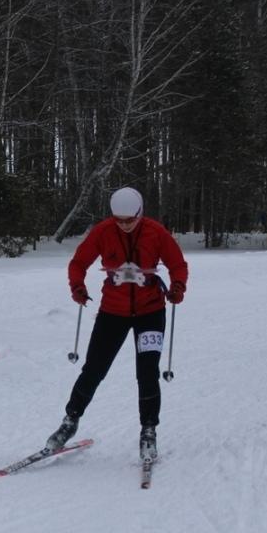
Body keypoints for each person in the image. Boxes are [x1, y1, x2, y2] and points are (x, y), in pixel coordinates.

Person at [44, 187, 188, 463]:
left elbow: (177, 264)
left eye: (129, 221)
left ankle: (148, 430)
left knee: (147, 373)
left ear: (139, 214)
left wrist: (178, 287)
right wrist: (77, 286)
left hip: (150, 312)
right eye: (118, 220)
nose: (123, 225)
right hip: (113, 312)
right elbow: (79, 263)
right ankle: (69, 421)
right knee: (94, 369)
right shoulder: (103, 231)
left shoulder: (156, 232)